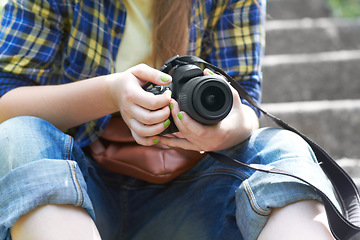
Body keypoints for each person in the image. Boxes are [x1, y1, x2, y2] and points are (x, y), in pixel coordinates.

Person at [0, 0, 340, 239]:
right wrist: (110, 94)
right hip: (75, 185)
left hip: (194, 194)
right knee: (20, 135)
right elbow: (5, 100)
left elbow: (245, 102)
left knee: (283, 147)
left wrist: (220, 134)